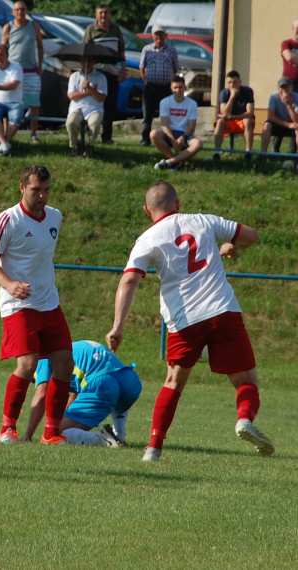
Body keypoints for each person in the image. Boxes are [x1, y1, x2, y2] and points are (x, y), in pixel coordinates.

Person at [106, 181, 274, 462]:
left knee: (173, 382)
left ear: (147, 210)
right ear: (178, 203)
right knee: (245, 379)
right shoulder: (203, 221)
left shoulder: (147, 239)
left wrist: (118, 326)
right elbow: (252, 236)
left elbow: (130, 279)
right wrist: (232, 243)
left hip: (184, 321)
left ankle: (153, 449)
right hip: (222, 310)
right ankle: (244, 419)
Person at [0, 165, 73, 446]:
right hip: (17, 304)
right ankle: (7, 428)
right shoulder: (8, 220)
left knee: (64, 363)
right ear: (22, 187)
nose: (42, 196)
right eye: (36, 190)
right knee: (27, 363)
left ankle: (51, 432)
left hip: (49, 302)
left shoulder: (55, 216)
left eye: (46, 190)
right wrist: (9, 284)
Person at [23, 340, 141, 447]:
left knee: (53, 434)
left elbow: (42, 393)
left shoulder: (42, 358)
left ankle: (106, 440)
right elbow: (74, 393)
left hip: (103, 384)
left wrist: (27, 435)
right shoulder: (68, 348)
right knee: (115, 395)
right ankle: (120, 435)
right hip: (130, 381)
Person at [83, 5, 126, 144]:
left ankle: (107, 137)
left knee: (110, 105)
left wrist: (123, 70)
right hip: (96, 72)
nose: (103, 16)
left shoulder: (116, 29)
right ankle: (89, 133)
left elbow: (121, 52)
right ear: (96, 15)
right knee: (93, 103)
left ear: (110, 15)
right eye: (100, 13)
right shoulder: (91, 29)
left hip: (112, 72)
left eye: (106, 13)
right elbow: (85, 52)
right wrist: (86, 73)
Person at [2, 1, 44, 144]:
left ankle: (33, 134)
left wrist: (40, 65)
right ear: (13, 12)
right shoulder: (8, 27)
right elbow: (3, 49)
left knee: (34, 104)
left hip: (32, 70)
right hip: (13, 71)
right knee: (8, 101)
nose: (20, 12)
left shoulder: (34, 26)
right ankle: (7, 133)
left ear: (26, 11)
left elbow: (40, 46)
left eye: (22, 9)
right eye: (17, 10)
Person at [152, 75, 202, 170]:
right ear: (171, 88)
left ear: (185, 88)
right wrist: (172, 139)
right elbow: (164, 124)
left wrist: (183, 137)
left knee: (198, 143)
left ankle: (170, 162)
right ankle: (176, 161)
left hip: (185, 134)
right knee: (153, 134)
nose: (178, 90)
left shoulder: (192, 103)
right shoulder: (164, 102)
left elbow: (192, 126)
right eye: (175, 87)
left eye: (180, 87)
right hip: (170, 133)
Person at [139, 25, 178, 146]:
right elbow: (142, 67)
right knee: (147, 114)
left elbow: (175, 68)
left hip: (166, 87)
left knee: (166, 115)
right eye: (156, 34)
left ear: (165, 36)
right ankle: (145, 139)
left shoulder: (172, 50)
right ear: (152, 36)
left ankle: (167, 139)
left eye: (161, 34)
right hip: (150, 86)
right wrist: (145, 80)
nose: (159, 37)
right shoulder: (147, 49)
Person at [65, 56, 107, 157]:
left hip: (95, 108)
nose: (87, 64)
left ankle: (89, 147)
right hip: (77, 107)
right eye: (84, 61)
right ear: (80, 62)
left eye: (90, 61)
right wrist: (88, 92)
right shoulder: (74, 76)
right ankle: (73, 147)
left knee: (95, 124)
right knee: (71, 123)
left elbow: (101, 98)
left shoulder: (101, 77)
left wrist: (90, 88)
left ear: (94, 62)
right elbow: (71, 96)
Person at [212, 70, 255, 161]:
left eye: (235, 82)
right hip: (228, 121)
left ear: (240, 82)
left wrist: (234, 117)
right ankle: (217, 152)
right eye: (229, 82)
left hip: (242, 120)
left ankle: (248, 152)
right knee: (220, 121)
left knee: (248, 120)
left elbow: (250, 112)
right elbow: (224, 113)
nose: (232, 85)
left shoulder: (248, 91)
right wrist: (232, 97)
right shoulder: (224, 93)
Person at [261, 77, 298, 155]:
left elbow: (296, 120)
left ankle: (296, 158)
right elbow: (270, 117)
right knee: (267, 125)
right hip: (279, 123)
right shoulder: (274, 97)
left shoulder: (296, 97)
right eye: (282, 87)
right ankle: (263, 154)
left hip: (292, 123)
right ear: (278, 88)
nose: (284, 90)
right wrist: (287, 124)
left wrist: (288, 105)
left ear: (291, 87)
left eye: (287, 87)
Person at [280, 19, 298, 91]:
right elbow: (289, 57)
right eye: (297, 28)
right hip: (288, 82)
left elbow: (292, 57)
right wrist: (292, 57)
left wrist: (295, 58)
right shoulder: (286, 43)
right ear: (293, 29)